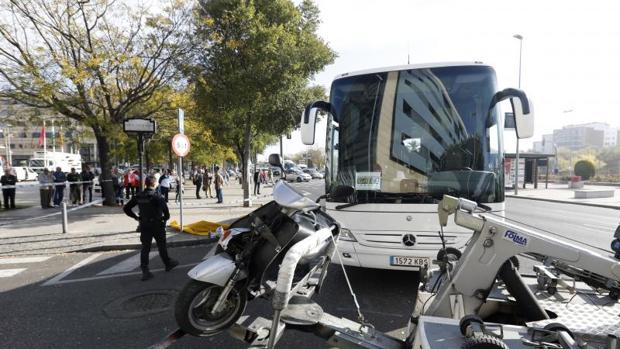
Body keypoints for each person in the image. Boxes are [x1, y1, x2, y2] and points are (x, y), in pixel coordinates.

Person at [123, 175, 178, 281]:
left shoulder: (139, 196)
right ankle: (167, 263)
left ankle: (145, 271)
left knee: (145, 248)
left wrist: (136, 218)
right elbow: (166, 213)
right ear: (154, 184)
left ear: (146, 184)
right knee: (161, 245)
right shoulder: (157, 196)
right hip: (157, 225)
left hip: (144, 225)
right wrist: (164, 219)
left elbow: (126, 208)